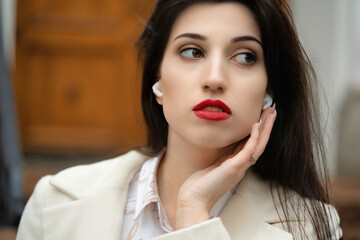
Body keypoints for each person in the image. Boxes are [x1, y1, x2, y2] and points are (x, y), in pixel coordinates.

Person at [16, 0, 343, 239]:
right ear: (158, 78)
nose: (214, 78)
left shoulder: (310, 228)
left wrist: (195, 212)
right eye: (192, 51)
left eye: (245, 56)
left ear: (268, 91)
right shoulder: (54, 203)